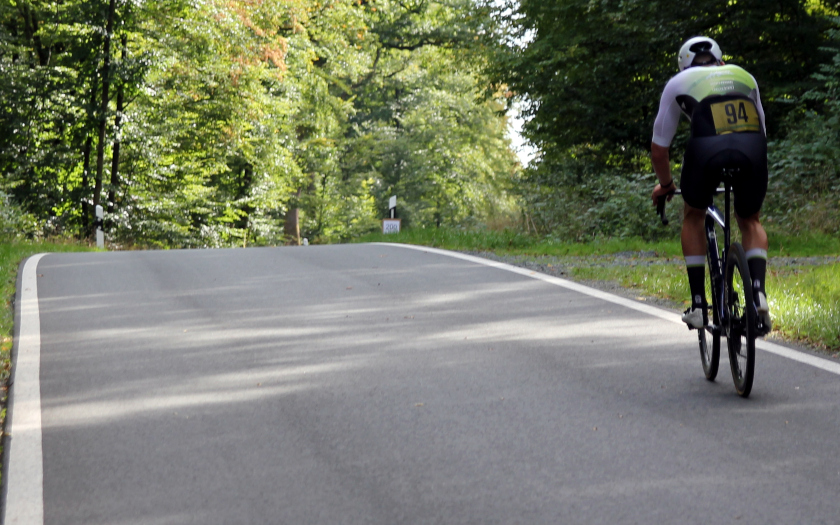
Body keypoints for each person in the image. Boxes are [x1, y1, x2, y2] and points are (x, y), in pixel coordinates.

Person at [650, 36, 771, 334]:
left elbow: (659, 148)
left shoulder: (679, 82)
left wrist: (665, 184)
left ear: (683, 65)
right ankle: (757, 294)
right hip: (752, 147)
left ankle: (698, 305)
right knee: (750, 220)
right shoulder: (744, 75)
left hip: (706, 150)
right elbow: (762, 131)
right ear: (720, 59)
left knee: (693, 213)